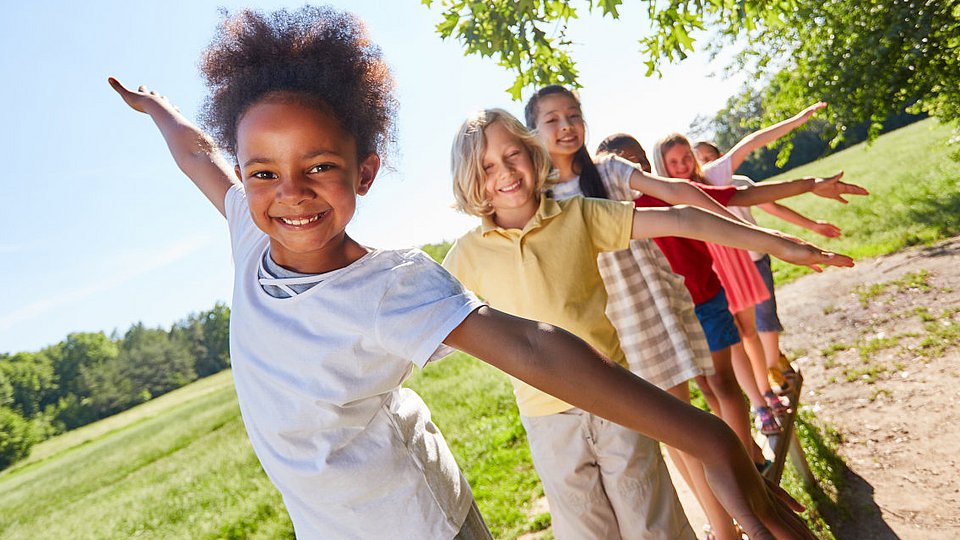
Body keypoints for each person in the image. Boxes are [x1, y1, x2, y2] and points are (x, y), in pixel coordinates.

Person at [109, 6, 819, 540]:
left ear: (364, 171)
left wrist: (707, 436)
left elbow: (535, 346)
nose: (289, 190)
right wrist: (156, 110)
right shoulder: (244, 231)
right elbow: (198, 154)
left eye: (318, 166)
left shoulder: (390, 286)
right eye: (263, 171)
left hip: (420, 523)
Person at [442, 108, 847, 539]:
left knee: (652, 523)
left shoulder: (578, 214)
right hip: (547, 419)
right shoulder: (467, 255)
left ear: (531, 151)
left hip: (616, 397)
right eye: (487, 166)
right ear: (470, 178)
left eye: (512, 155)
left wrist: (778, 244)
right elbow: (421, 325)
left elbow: (680, 218)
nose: (505, 172)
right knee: (585, 531)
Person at [592, 132, 866, 540]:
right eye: (623, 164)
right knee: (702, 393)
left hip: (707, 299)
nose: (632, 170)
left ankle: (745, 461)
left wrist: (809, 185)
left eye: (636, 162)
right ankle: (736, 472)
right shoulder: (611, 215)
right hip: (674, 312)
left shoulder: (657, 197)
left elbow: (733, 195)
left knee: (722, 383)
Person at [694, 138, 843, 393]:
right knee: (745, 330)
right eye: (701, 160)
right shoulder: (696, 192)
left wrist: (812, 226)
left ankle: (772, 366)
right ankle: (766, 367)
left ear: (721, 157)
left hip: (756, 258)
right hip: (729, 271)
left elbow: (774, 208)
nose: (707, 163)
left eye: (710, 157)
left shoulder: (739, 183)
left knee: (766, 315)